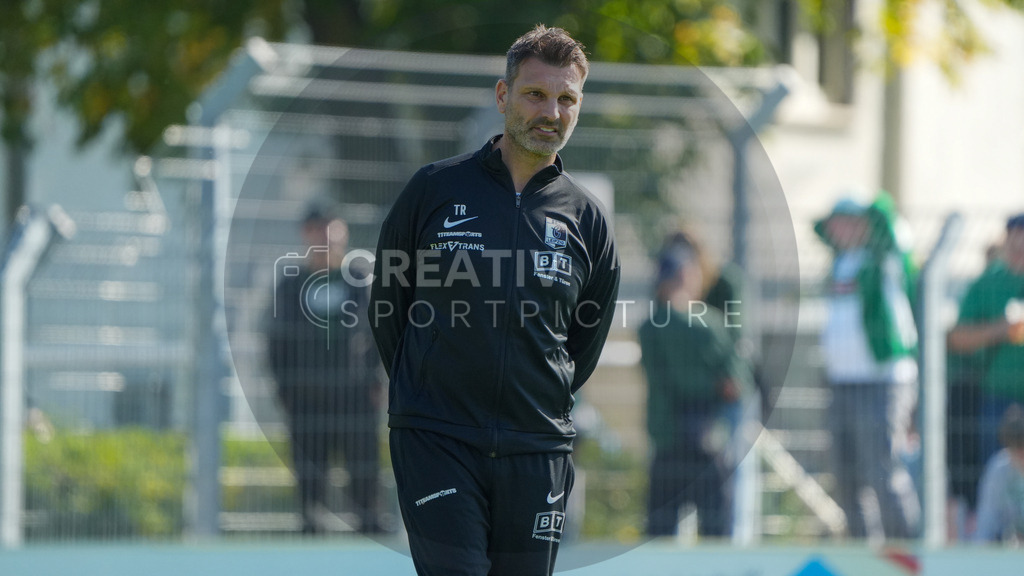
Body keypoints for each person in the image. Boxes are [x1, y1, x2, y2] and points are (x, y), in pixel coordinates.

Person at [369, 25, 620, 576]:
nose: (551, 112)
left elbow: (583, 342)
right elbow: (388, 307)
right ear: (504, 96)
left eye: (566, 99)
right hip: (437, 439)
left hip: (536, 448)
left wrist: (530, 400)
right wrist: (428, 390)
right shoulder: (433, 190)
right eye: (535, 94)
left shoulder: (588, 220)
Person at [266, 199, 385, 535]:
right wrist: (284, 387)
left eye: (334, 226)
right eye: (319, 227)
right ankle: (311, 518)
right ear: (306, 234)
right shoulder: (290, 285)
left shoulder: (360, 280)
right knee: (308, 462)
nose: (327, 235)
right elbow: (275, 342)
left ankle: (369, 518)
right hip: (306, 394)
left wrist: (377, 380)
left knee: (363, 460)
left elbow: (379, 333)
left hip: (355, 392)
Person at [814, 192, 921, 542]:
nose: (840, 228)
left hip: (882, 381)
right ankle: (863, 553)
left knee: (882, 472)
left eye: (850, 221)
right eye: (838, 222)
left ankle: (906, 553)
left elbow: (887, 223)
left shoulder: (884, 256)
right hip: (842, 382)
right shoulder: (839, 262)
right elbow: (816, 228)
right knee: (846, 476)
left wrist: (867, 209)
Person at [639, 233, 753, 538]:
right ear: (688, 275)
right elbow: (735, 384)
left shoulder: (649, 328)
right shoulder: (710, 324)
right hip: (706, 439)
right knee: (715, 531)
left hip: (665, 440)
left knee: (659, 532)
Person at [947, 213, 1024, 502]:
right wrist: (1000, 329)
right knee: (997, 478)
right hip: (997, 401)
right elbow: (956, 338)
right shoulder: (988, 283)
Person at [973, 404, 1024, 544]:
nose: (1021, 453)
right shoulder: (998, 469)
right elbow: (986, 521)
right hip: (1008, 546)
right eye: (1017, 447)